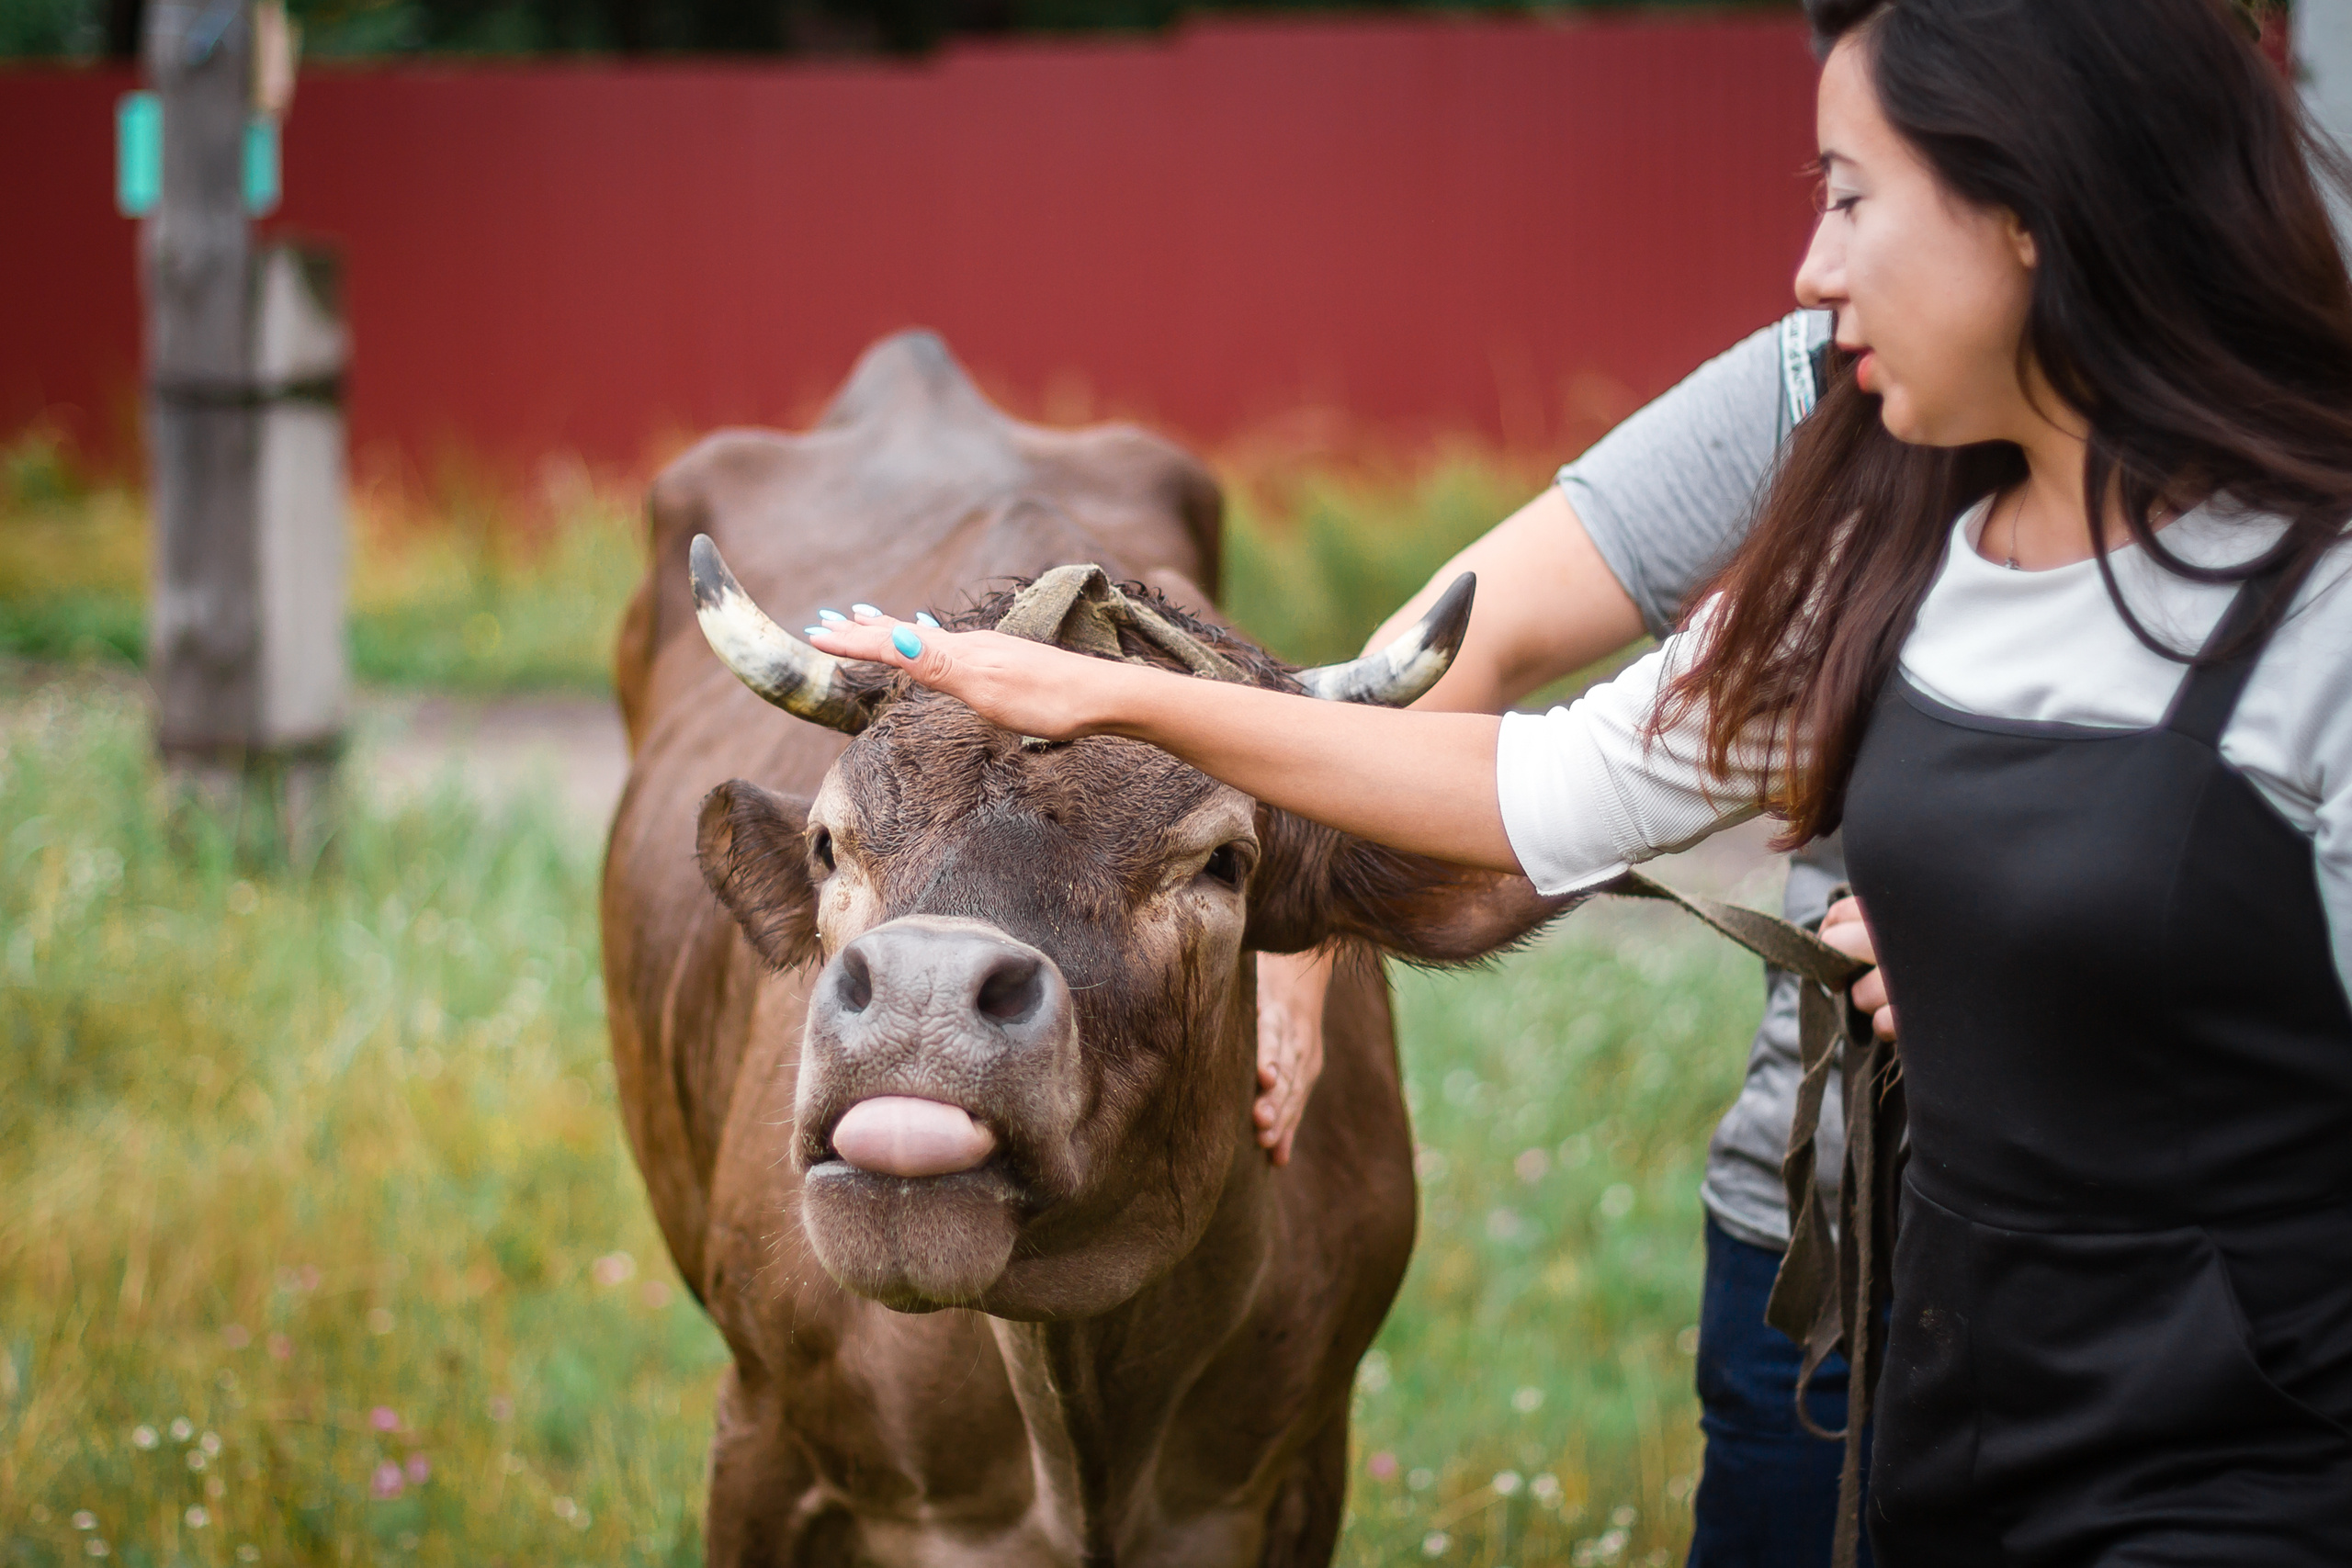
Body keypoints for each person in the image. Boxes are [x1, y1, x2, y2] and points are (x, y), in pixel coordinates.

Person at [816, 0, 2352, 1556]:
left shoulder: (2324, 613)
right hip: (1953, 1401)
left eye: (1849, 199)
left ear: (2033, 207)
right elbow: (1552, 782)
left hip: (2242, 1444)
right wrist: (1109, 700)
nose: (1810, 273)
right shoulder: (1879, 564)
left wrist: (2048, 966)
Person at [1245, 304, 1886, 1568]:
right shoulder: (1822, 380)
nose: (1818, 268)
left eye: (1862, 207)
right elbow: (1498, 681)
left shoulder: (2275, 500)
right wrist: (1298, 947)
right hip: (1818, 1245)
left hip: (2156, 1282)